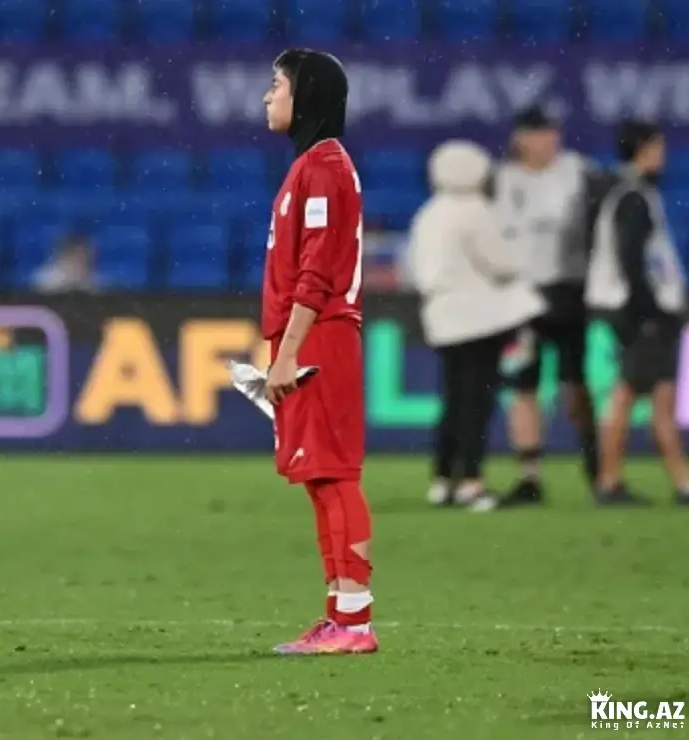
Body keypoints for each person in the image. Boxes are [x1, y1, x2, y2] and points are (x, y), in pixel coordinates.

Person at [260, 48, 375, 656]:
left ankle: (354, 622)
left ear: (304, 95)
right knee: (319, 478)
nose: (267, 96)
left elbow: (318, 273)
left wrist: (288, 353)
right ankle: (340, 617)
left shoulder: (324, 168)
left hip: (321, 336)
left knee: (335, 476)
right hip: (309, 337)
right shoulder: (312, 165)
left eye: (276, 85)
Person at [409, 140, 546, 511]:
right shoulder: (475, 211)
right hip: (477, 321)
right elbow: (501, 263)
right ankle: (471, 482)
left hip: (441, 318)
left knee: (452, 401)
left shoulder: (428, 214)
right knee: (477, 402)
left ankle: (443, 480)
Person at [493, 106, 611, 506]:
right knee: (522, 386)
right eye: (540, 133)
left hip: (568, 292)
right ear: (521, 138)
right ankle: (530, 476)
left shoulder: (580, 172)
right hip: (519, 298)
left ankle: (598, 470)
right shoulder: (502, 179)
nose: (549, 140)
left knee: (574, 386)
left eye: (553, 132)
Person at [586, 120, 689, 506]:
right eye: (658, 147)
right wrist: (648, 311)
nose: (663, 156)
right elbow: (633, 260)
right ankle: (671, 482)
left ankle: (615, 479)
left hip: (633, 307)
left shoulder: (630, 194)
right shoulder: (634, 197)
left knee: (636, 393)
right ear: (644, 149)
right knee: (646, 395)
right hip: (640, 309)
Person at [32, 233, 99, 293]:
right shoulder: (45, 280)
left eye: (84, 258)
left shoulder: (95, 282)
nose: (79, 263)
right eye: (76, 257)